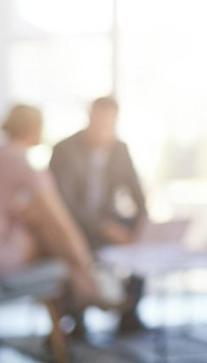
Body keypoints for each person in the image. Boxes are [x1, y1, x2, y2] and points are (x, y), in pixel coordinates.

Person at [0, 104, 114, 312]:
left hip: (3, 242)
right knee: (53, 226)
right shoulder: (19, 161)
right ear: (34, 128)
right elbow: (58, 217)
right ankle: (88, 283)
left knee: (38, 220)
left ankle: (85, 285)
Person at [49, 95, 148, 333]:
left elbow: (135, 190)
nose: (104, 127)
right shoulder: (65, 149)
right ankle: (76, 320)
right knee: (75, 251)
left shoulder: (119, 149)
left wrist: (143, 223)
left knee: (141, 247)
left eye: (109, 122)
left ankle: (129, 312)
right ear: (90, 117)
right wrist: (102, 227)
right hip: (71, 224)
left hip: (107, 219)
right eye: (100, 120)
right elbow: (64, 202)